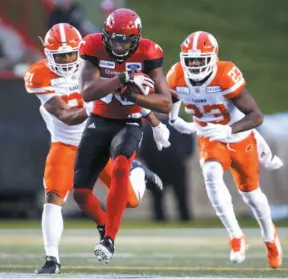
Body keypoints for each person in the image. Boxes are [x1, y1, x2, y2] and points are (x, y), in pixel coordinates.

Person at [24, 23, 170, 274]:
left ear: (80, 51)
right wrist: (89, 107)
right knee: (53, 196)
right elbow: (65, 115)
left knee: (130, 201)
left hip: (100, 137)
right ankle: (52, 258)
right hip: (66, 141)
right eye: (60, 55)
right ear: (48, 53)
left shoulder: (96, 63)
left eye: (71, 54)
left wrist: (155, 123)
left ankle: (137, 172)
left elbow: (125, 96)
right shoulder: (38, 75)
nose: (67, 60)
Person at [166, 31, 283, 269]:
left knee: (251, 195)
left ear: (213, 57)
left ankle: (270, 238)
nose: (195, 64)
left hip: (239, 137)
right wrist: (174, 118)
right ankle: (236, 236)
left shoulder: (224, 75)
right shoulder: (176, 74)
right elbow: (173, 95)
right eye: (190, 60)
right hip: (210, 137)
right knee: (210, 173)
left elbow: (256, 116)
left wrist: (228, 130)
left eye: (200, 59)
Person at [73, 8, 172, 263]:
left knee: (118, 167)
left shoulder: (149, 53)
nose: (118, 44)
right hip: (99, 120)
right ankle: (138, 175)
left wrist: (136, 97)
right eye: (114, 38)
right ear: (105, 35)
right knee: (81, 195)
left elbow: (165, 103)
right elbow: (87, 92)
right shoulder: (93, 46)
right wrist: (122, 78)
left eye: (124, 39)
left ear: (136, 39)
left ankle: (109, 239)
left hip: (129, 121)